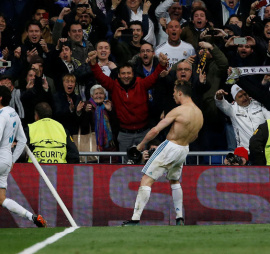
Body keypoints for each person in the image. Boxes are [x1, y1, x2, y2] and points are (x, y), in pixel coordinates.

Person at [122, 80, 203, 226]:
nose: (173, 96)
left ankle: (135, 219)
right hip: (184, 149)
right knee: (174, 181)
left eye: (174, 93)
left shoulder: (178, 110)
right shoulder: (199, 113)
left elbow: (155, 130)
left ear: (180, 92)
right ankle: (179, 218)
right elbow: (195, 136)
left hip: (170, 146)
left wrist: (140, 146)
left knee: (146, 179)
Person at [87, 50, 168, 161]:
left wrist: (162, 64)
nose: (126, 76)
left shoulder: (142, 84)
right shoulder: (113, 86)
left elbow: (155, 76)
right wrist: (93, 63)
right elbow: (100, 76)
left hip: (143, 133)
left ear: (133, 73)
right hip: (124, 134)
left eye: (129, 73)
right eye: (123, 73)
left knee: (146, 163)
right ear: (119, 75)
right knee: (125, 166)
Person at [0, 85, 46, 227]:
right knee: (1, 199)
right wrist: (13, 160)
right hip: (6, 160)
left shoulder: (1, 115)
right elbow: (23, 140)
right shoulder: (13, 112)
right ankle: (32, 217)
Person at [215, 84, 270, 151]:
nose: (244, 98)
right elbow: (222, 105)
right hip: (245, 152)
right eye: (240, 96)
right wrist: (219, 98)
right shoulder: (232, 109)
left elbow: (269, 118)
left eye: (245, 94)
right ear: (235, 99)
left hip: (264, 149)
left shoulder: (258, 104)